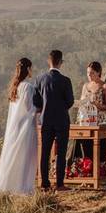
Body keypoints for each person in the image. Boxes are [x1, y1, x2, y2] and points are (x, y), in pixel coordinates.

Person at [0, 57, 39, 200]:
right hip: (26, 128)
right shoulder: (28, 87)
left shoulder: (15, 87)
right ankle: (22, 186)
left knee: (13, 155)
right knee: (25, 157)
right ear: (28, 69)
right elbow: (30, 108)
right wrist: (40, 108)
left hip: (14, 127)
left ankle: (11, 185)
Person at [35, 49, 74, 191]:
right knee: (61, 152)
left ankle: (44, 184)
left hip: (45, 120)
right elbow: (70, 102)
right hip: (62, 120)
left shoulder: (40, 79)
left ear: (48, 61)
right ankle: (59, 184)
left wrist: (45, 107)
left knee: (45, 152)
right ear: (61, 62)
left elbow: (36, 101)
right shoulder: (65, 81)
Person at [77, 61, 106, 126]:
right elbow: (81, 102)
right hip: (84, 120)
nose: (89, 75)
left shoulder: (104, 87)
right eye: (87, 72)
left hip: (98, 122)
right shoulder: (85, 86)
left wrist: (97, 105)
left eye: (92, 73)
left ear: (98, 73)